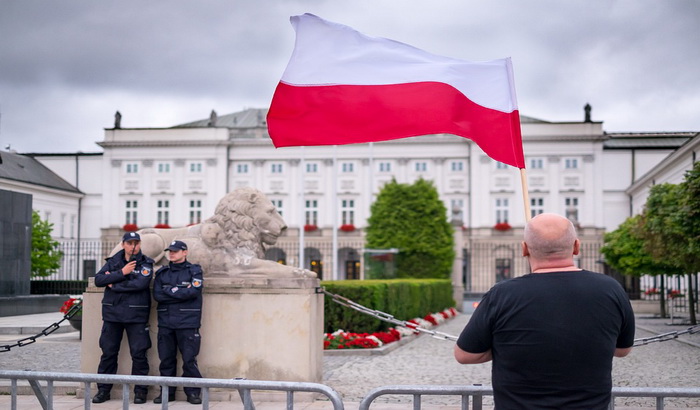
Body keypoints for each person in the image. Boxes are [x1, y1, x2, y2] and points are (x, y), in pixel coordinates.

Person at [454, 213, 635, 409]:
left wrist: (509, 346)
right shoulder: (610, 289)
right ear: (576, 246)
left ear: (524, 249)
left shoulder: (502, 294)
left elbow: (465, 355)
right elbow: (622, 349)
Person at [92, 232, 154, 404]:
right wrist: (122, 272)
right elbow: (99, 280)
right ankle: (103, 390)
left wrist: (114, 284)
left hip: (136, 315)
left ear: (140, 244)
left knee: (139, 354)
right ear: (123, 244)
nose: (133, 246)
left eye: (136, 243)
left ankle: (140, 392)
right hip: (113, 316)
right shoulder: (113, 262)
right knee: (108, 353)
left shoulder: (146, 263)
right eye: (129, 243)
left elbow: (140, 284)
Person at [153, 240, 204, 405]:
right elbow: (158, 296)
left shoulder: (194, 271)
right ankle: (167, 392)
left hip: (188, 322)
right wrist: (181, 291)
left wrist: (170, 291)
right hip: (166, 322)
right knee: (166, 360)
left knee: (189, 360)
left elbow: (194, 291)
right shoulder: (162, 273)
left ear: (185, 252)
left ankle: (193, 392)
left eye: (175, 251)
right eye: (170, 251)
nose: (171, 253)